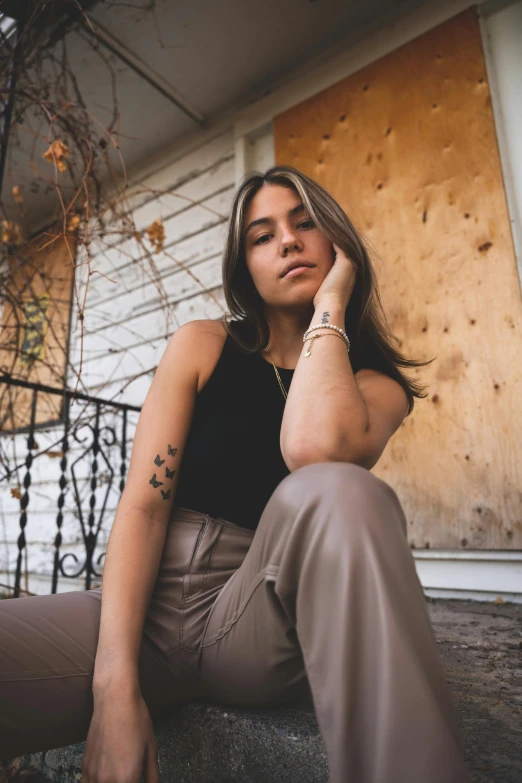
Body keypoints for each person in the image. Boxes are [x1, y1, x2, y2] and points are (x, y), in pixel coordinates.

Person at [0, 166, 472, 783]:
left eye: (306, 225)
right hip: (146, 604)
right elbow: (143, 507)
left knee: (338, 487)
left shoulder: (372, 385)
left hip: (255, 623)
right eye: (262, 235)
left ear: (338, 247)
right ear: (243, 264)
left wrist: (329, 306)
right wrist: (114, 687)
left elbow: (314, 448)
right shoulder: (203, 345)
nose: (287, 242)